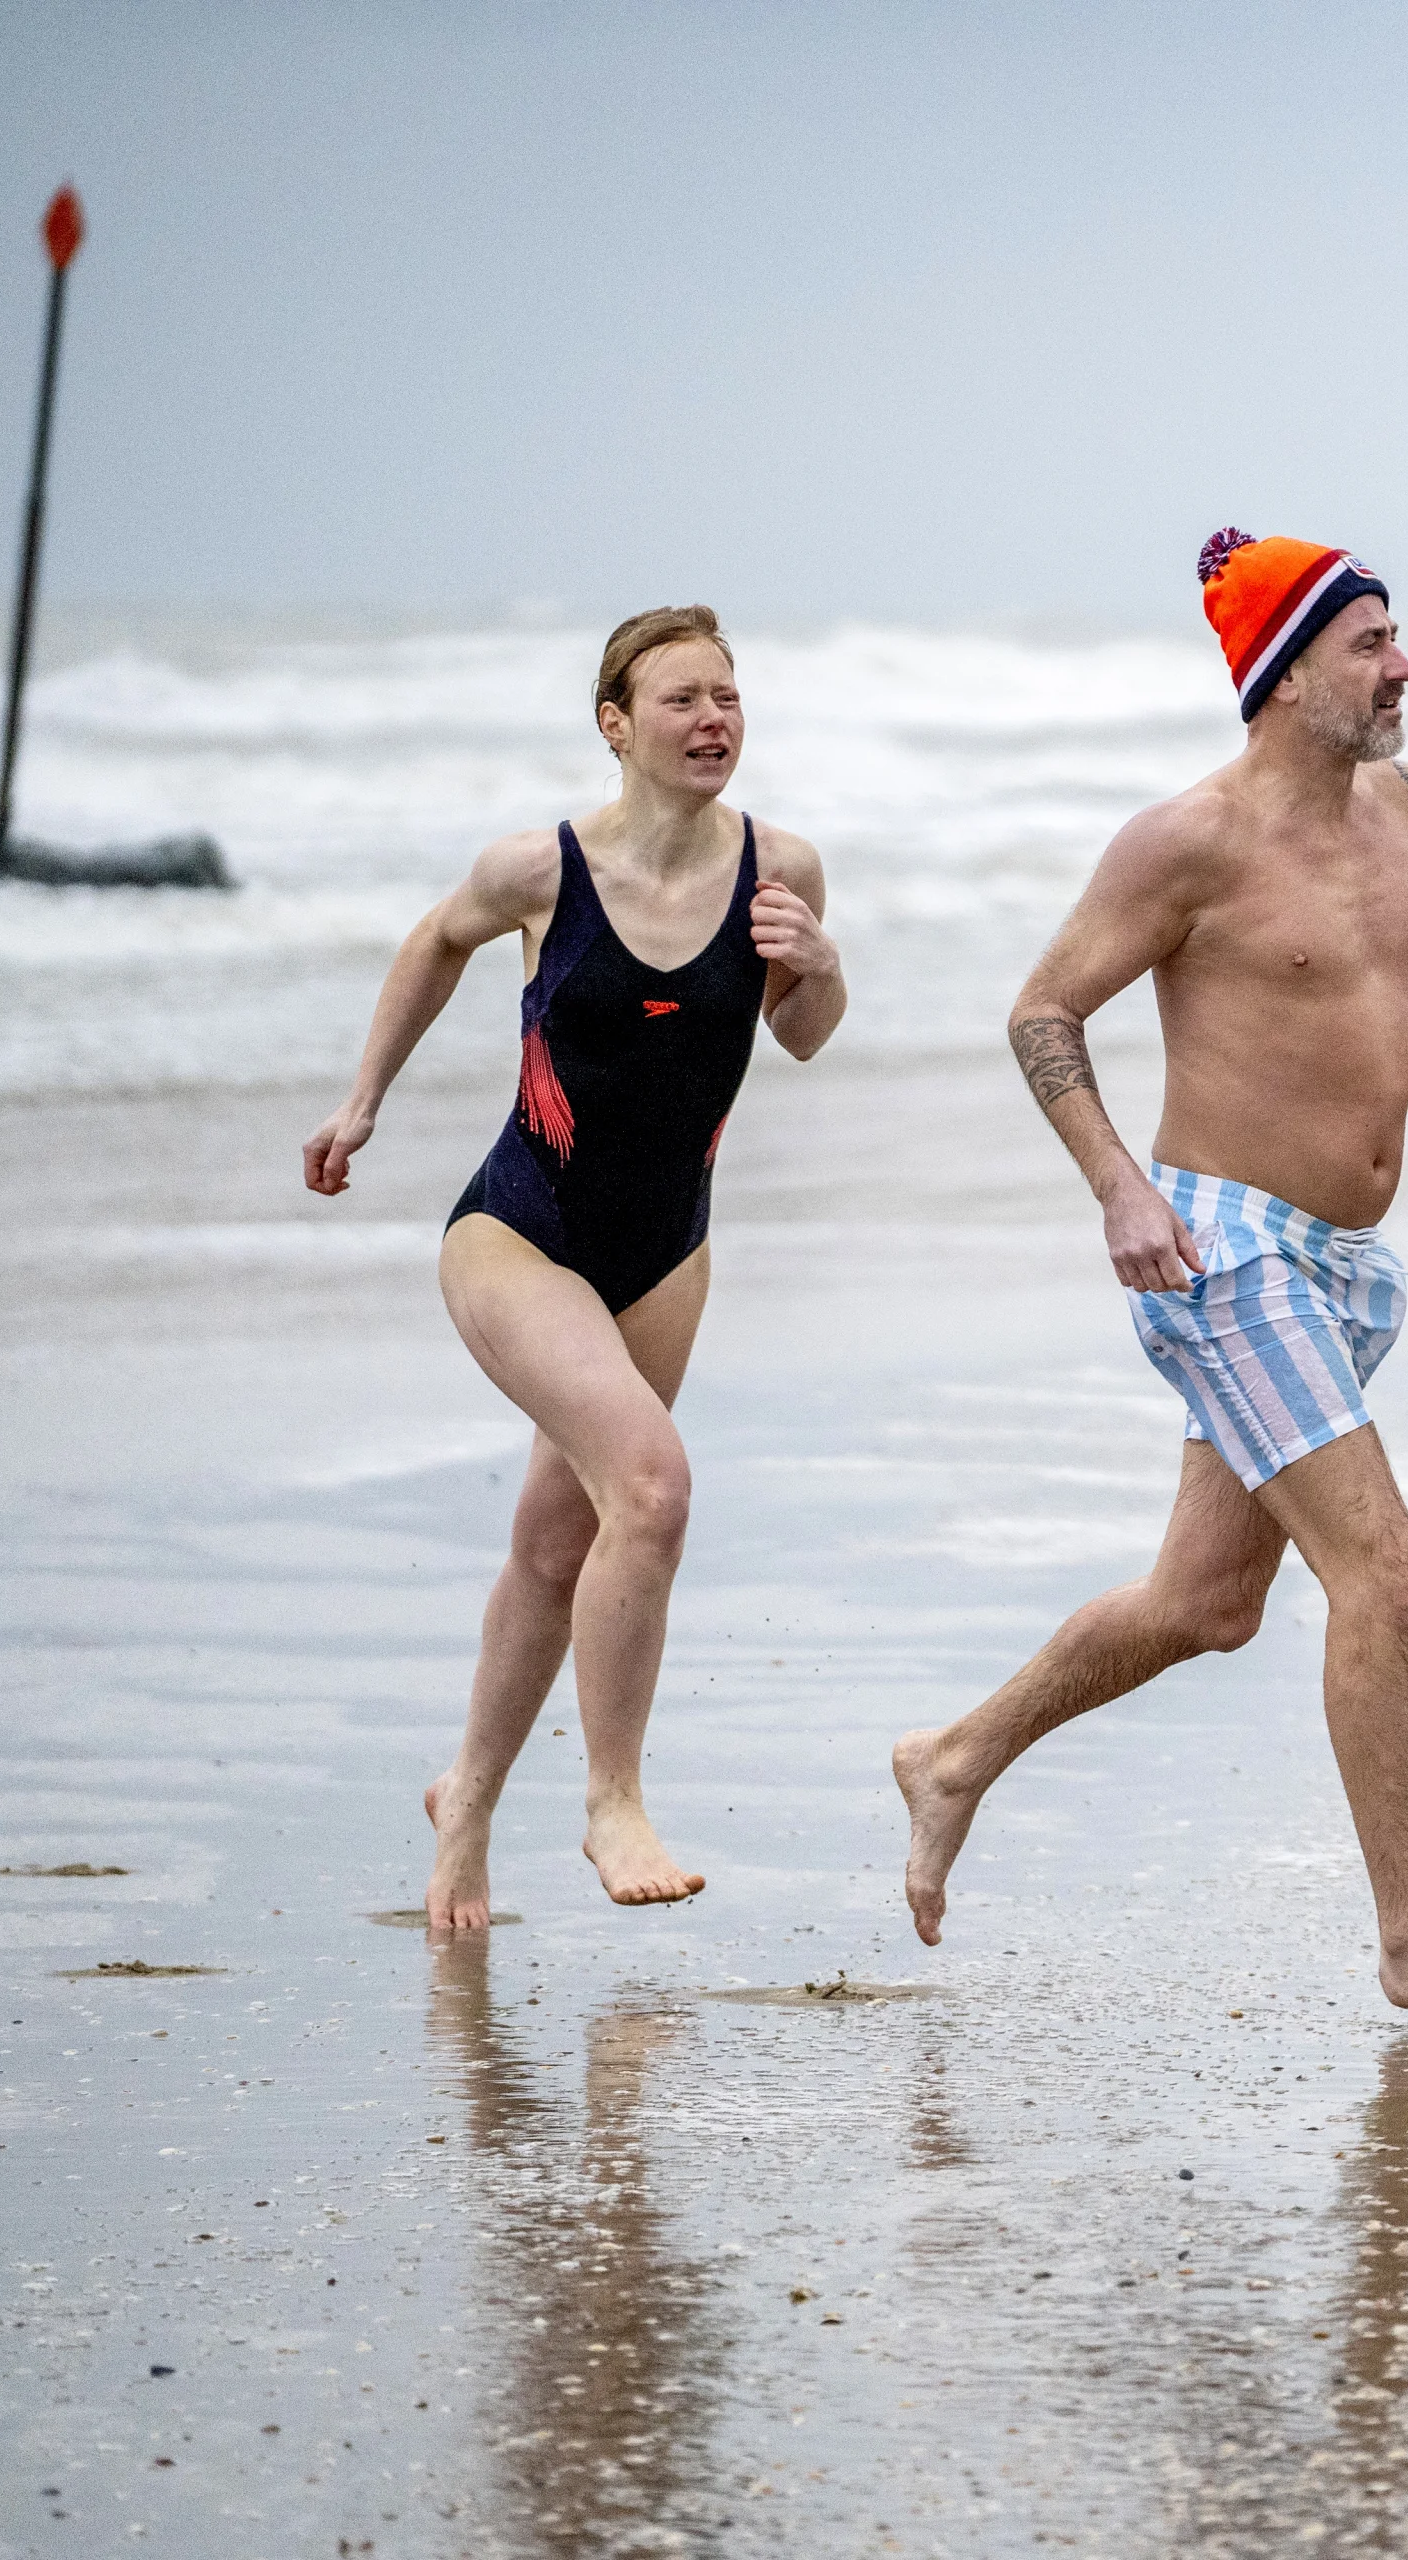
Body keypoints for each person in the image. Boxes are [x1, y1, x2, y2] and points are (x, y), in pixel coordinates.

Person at [891, 530, 1408, 2023]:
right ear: (1282, 674)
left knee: (1205, 1603)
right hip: (1221, 1252)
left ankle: (951, 1760)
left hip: (1338, 1264)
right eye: (1369, 644)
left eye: (1396, 637)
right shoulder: (1184, 844)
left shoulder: (1407, 807)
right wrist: (1119, 1188)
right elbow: (1042, 1014)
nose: (1404, 667)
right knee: (1389, 1578)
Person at [302, 605, 844, 1931]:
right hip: (517, 1235)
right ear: (615, 723)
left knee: (559, 1542)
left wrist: (822, 970)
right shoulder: (539, 873)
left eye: (728, 698)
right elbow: (434, 942)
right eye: (681, 700)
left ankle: (466, 1806)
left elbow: (807, 1039)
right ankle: (612, 1801)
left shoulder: (783, 868)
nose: (713, 720)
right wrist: (364, 1099)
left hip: (667, 1254)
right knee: (649, 1488)